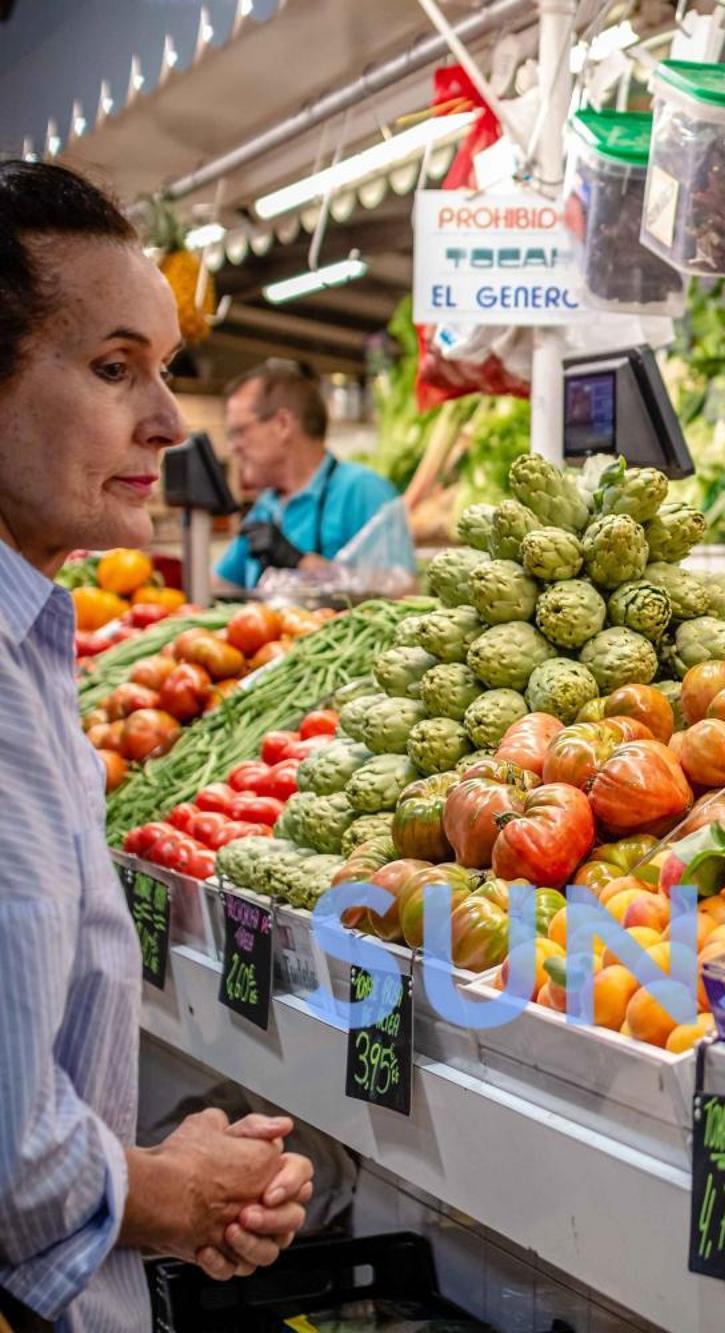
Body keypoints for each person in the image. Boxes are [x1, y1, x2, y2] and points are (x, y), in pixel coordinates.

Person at [0, 160, 313, 1331]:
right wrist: (171, 1193)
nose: (169, 423)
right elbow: (7, 1164)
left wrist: (158, 1173)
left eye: (166, 371)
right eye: (112, 367)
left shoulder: (35, 645)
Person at [213, 361, 405, 591]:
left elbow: (402, 589)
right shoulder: (266, 507)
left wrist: (299, 562)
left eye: (239, 432)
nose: (233, 447)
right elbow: (219, 586)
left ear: (283, 424)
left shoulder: (362, 490)